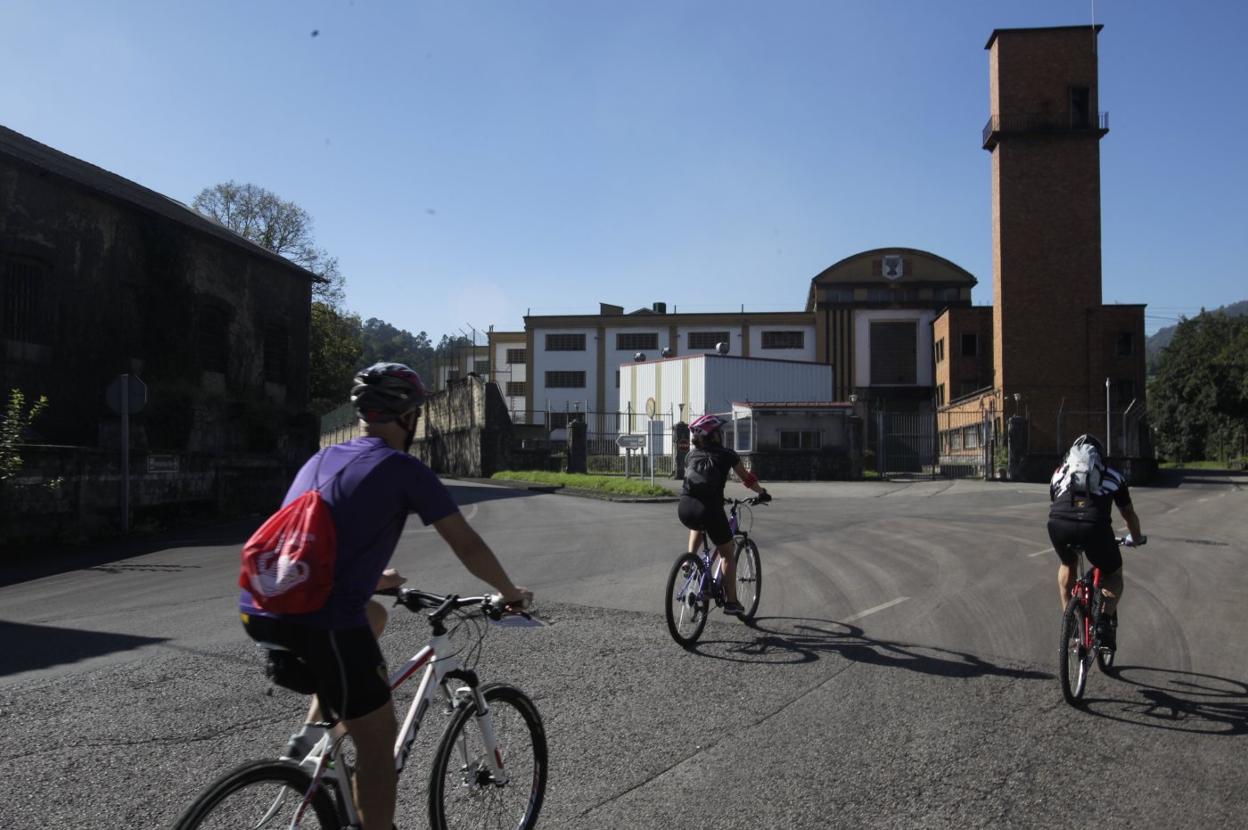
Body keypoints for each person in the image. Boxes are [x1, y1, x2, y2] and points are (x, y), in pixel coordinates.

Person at [239, 362, 531, 830]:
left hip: (261, 606)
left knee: (372, 615)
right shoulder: (403, 469)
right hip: (324, 621)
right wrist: (509, 592)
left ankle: (314, 734)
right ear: (409, 415)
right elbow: (466, 543)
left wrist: (371, 578)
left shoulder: (318, 459)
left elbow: (302, 547)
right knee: (378, 743)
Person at [1047, 433, 1145, 650]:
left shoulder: (1059, 473)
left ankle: (1071, 625)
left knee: (1067, 564)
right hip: (1094, 528)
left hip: (1058, 524)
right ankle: (1103, 624)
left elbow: (1057, 502)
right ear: (1100, 457)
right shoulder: (1113, 476)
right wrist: (1136, 538)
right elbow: (1128, 514)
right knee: (1113, 573)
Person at [677, 413, 769, 615]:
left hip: (685, 507)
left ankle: (690, 561)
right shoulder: (727, 454)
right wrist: (762, 493)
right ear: (714, 435)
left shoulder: (690, 455)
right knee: (727, 554)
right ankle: (732, 602)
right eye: (719, 432)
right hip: (710, 509)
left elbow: (696, 482)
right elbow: (747, 478)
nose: (721, 435)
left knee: (698, 524)